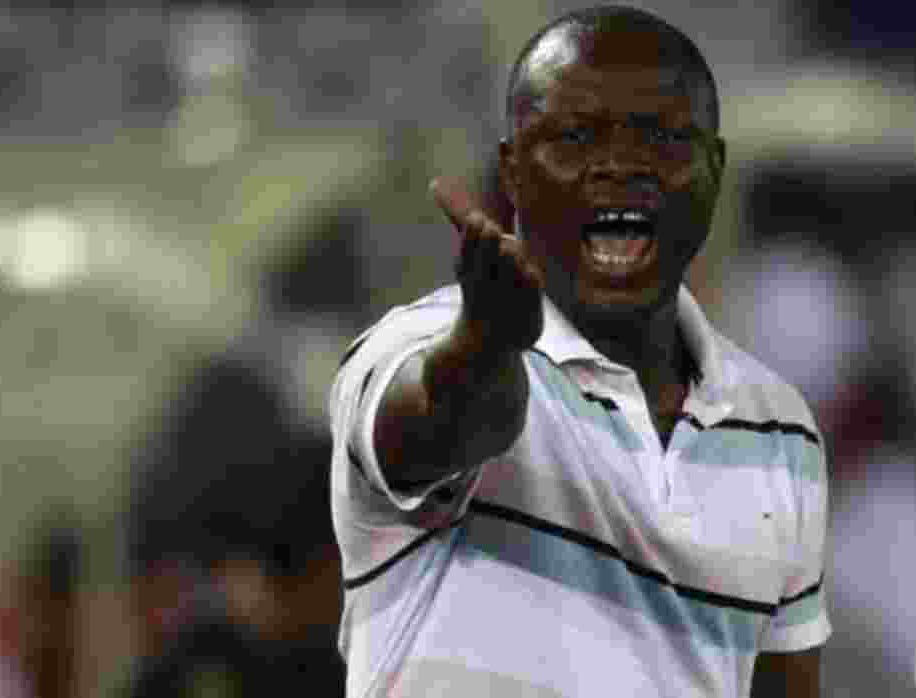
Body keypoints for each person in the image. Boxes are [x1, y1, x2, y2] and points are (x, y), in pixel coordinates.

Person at [328, 5, 831, 697]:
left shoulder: (782, 429)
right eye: (574, 136)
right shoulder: (416, 344)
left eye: (661, 139)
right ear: (511, 171)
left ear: (714, 168)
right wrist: (484, 346)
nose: (620, 167)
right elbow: (449, 421)